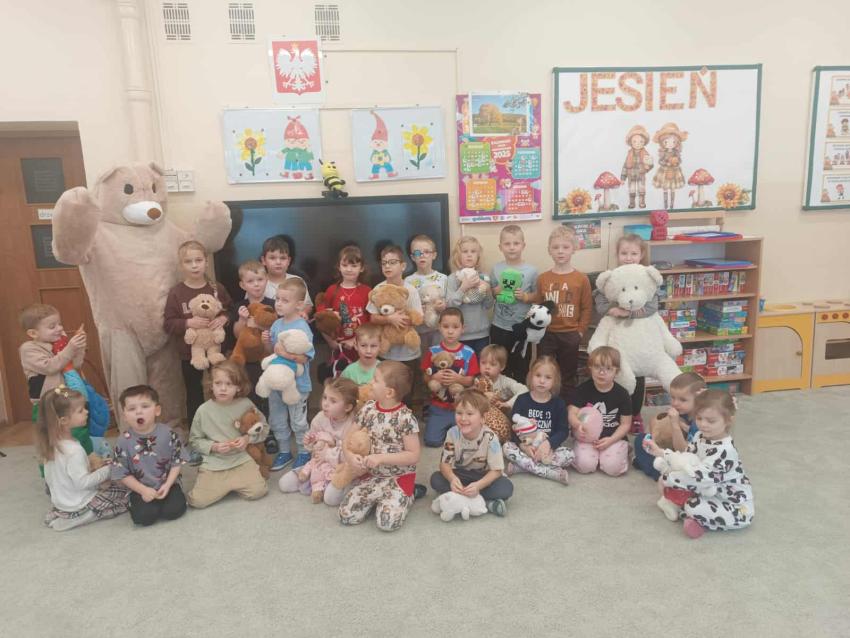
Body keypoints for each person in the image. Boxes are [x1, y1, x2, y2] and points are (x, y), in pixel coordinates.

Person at [642, 389, 754, 539]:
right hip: (709, 492)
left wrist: (668, 477)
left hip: (736, 507)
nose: (703, 424)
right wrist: (662, 455)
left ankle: (695, 519)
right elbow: (687, 458)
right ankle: (690, 514)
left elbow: (698, 478)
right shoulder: (699, 436)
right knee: (682, 491)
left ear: (728, 420)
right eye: (699, 418)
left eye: (711, 421)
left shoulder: (725, 451)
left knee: (691, 506)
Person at [339, 361, 421, 532]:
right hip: (371, 475)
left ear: (389, 392)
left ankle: (409, 494)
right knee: (346, 515)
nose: (370, 383)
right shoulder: (368, 409)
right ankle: (381, 500)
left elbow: (414, 455)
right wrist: (350, 456)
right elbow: (347, 438)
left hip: (398, 478)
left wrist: (381, 458)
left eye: (375, 380)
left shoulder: (406, 418)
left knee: (387, 524)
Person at [37, 386, 129, 531]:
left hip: (62, 501)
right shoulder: (74, 450)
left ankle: (65, 513)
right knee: (125, 494)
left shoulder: (52, 444)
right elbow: (83, 483)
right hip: (79, 502)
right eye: (80, 411)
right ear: (64, 420)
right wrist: (108, 470)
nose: (87, 412)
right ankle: (82, 516)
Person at [163, 240, 232, 429]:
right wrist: (188, 323)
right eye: (188, 261)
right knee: (194, 393)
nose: (194, 265)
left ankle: (223, 428)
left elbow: (230, 310)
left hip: (216, 352)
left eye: (198, 260)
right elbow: (168, 324)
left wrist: (224, 318)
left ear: (206, 262)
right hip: (190, 354)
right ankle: (197, 433)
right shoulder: (176, 293)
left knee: (221, 390)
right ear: (181, 265)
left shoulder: (217, 289)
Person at [592, 233, 657, 432]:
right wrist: (614, 309)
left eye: (633, 253)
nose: (628, 258)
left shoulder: (646, 276)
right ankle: (617, 412)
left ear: (641, 254)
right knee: (615, 372)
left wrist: (631, 313)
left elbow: (653, 305)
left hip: (638, 337)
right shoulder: (612, 277)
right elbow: (600, 302)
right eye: (624, 253)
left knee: (637, 375)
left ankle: (635, 413)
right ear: (617, 254)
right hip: (616, 336)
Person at [186, 361, 269, 509]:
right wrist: (214, 446)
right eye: (218, 383)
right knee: (197, 501)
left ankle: (231, 483)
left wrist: (248, 439)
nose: (223, 388)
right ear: (211, 385)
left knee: (259, 491)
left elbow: (264, 427)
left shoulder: (246, 403)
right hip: (214, 463)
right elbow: (194, 440)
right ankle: (224, 483)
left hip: (241, 459)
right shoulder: (203, 411)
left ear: (238, 387)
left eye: (229, 384)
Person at [18, 303, 91, 455]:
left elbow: (75, 364)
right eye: (52, 326)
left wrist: (79, 348)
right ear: (33, 333)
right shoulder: (28, 349)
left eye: (59, 324)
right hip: (47, 402)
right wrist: (70, 348)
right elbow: (50, 366)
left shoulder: (60, 344)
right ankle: (50, 467)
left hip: (67, 397)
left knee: (79, 431)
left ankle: (86, 460)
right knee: (50, 439)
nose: (59, 328)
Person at [111, 385, 188, 526]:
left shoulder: (168, 433)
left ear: (157, 410)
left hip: (168, 484)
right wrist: (143, 490)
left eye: (145, 406)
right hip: (139, 488)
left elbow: (177, 461)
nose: (138, 412)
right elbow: (121, 473)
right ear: (125, 416)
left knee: (174, 511)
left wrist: (168, 484)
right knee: (144, 518)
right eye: (132, 409)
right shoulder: (123, 441)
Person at [430, 389, 513, 516]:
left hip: (483, 476)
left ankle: (460, 498)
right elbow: (444, 464)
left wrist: (479, 485)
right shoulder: (452, 433)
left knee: (506, 487)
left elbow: (496, 470)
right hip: (461, 474)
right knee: (436, 479)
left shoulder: (491, 438)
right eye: (459, 413)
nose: (463, 418)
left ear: (483, 418)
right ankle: (485, 502)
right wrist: (452, 479)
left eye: (470, 414)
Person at [278, 377, 358, 506]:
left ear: (347, 407)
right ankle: (317, 483)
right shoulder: (320, 418)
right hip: (317, 466)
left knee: (330, 499)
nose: (325, 403)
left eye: (333, 401)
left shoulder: (352, 425)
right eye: (325, 397)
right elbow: (313, 447)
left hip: (338, 469)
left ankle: (339, 486)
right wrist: (310, 442)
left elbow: (349, 455)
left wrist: (328, 454)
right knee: (284, 484)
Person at [533, 225, 591, 403]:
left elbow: (586, 308)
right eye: (556, 247)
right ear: (549, 250)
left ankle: (566, 407)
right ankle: (546, 404)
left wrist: (579, 332)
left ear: (574, 249)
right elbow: (538, 306)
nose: (560, 251)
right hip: (547, 334)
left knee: (568, 374)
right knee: (544, 372)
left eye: (565, 247)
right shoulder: (543, 278)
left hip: (570, 334)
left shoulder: (581, 279)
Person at [267, 278, 315, 472]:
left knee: (298, 421)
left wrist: (285, 354)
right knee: (277, 419)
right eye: (277, 299)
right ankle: (285, 451)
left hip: (297, 386)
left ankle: (304, 452)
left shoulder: (302, 327)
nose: (279, 303)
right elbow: (271, 351)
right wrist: (265, 341)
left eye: (285, 300)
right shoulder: (276, 324)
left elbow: (305, 357)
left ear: (299, 305)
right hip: (276, 383)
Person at [366, 244, 424, 404]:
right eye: (384, 263)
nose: (387, 266)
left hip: (408, 353)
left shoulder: (410, 290)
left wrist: (403, 319)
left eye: (392, 262)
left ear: (403, 266)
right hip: (386, 352)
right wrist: (389, 319)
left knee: (406, 394)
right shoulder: (378, 289)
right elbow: (372, 318)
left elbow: (418, 318)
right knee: (386, 392)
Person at [504, 356, 574, 484]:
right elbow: (513, 428)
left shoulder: (559, 403)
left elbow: (563, 431)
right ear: (531, 376)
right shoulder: (522, 400)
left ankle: (522, 467)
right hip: (526, 447)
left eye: (548, 377)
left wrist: (548, 444)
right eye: (538, 375)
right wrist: (523, 446)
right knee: (507, 447)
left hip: (548, 449)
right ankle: (551, 473)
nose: (542, 381)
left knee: (570, 454)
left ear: (555, 381)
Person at [568, 346, 632, 476]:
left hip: (613, 437)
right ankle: (593, 455)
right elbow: (571, 412)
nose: (602, 373)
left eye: (608, 368)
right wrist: (577, 424)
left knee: (613, 468)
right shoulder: (582, 389)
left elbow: (626, 424)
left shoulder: (622, 394)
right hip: (587, 438)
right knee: (585, 466)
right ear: (590, 367)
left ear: (616, 371)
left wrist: (612, 440)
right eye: (597, 367)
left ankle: (623, 449)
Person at [421, 308, 478, 447]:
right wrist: (434, 377)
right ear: (439, 327)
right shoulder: (433, 351)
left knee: (469, 441)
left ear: (463, 328)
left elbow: (471, 380)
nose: (450, 331)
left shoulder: (469, 353)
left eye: (455, 327)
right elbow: (425, 378)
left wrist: (458, 379)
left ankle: (453, 429)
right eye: (446, 326)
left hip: (462, 408)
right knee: (432, 441)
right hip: (438, 406)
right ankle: (442, 425)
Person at [633, 372, 706, 480]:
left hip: (690, 463)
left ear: (699, 399)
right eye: (673, 397)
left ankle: (659, 473)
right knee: (642, 439)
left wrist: (675, 425)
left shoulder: (702, 422)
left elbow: (684, 451)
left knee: (641, 444)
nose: (675, 403)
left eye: (682, 400)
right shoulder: (684, 413)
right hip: (676, 455)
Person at [489, 225, 538, 382]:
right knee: (499, 366)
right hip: (499, 326)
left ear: (523, 245)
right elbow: (491, 294)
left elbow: (538, 296)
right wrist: (495, 291)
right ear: (500, 247)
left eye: (516, 243)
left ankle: (519, 394)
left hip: (521, 328)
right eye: (507, 244)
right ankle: (498, 395)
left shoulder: (532, 271)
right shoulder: (496, 268)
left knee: (521, 367)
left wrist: (525, 296)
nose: (512, 247)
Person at [315, 245, 371, 379]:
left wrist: (355, 340)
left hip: (363, 348)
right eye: (345, 265)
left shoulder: (367, 291)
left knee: (361, 381)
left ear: (361, 268)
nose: (349, 269)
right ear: (339, 267)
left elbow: (371, 323)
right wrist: (331, 342)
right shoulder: (332, 290)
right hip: (339, 349)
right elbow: (322, 319)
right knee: (341, 382)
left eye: (354, 265)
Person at [231, 259, 276, 416]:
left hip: (267, 355)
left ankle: (268, 424)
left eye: (260, 280)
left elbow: (276, 330)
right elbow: (237, 335)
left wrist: (259, 326)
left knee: (268, 394)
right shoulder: (239, 306)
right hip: (248, 361)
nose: (256, 284)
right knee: (249, 393)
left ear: (266, 280)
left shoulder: (273, 305)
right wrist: (242, 320)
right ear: (242, 285)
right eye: (250, 281)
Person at [445, 235, 493, 357]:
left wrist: (487, 290)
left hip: (482, 334)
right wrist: (463, 287)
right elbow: (450, 306)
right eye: (465, 251)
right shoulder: (453, 278)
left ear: (478, 256)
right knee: (461, 366)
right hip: (459, 335)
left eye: (473, 251)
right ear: (458, 255)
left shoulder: (483, 277)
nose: (469, 255)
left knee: (480, 365)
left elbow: (488, 305)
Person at [258, 235, 313, 315]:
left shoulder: (297, 281)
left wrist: (303, 312)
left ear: (288, 261)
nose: (278, 262)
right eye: (272, 258)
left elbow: (307, 305)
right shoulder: (257, 283)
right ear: (263, 260)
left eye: (283, 258)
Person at [477, 344, 528, 409]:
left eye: (492, 364)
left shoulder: (505, 381)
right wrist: (483, 396)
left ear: (502, 367)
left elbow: (524, 390)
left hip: (501, 413)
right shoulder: (476, 381)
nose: (487, 367)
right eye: (483, 363)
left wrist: (508, 404)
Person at [341, 323, 381, 388]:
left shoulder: (384, 371)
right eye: (363, 345)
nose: (368, 351)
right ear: (356, 346)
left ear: (380, 346)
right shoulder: (348, 372)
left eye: (373, 346)